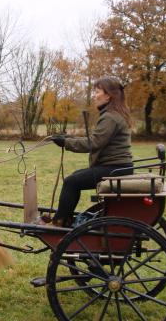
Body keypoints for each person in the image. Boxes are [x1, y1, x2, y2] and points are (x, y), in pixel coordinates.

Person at [47, 76, 133, 227]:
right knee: (74, 177)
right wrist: (69, 137)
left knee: (71, 182)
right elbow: (96, 138)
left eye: (97, 91)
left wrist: (66, 142)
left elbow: (93, 142)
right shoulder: (113, 114)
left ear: (108, 95)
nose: (94, 95)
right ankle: (65, 219)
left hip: (114, 169)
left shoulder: (110, 117)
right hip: (118, 167)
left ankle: (58, 222)